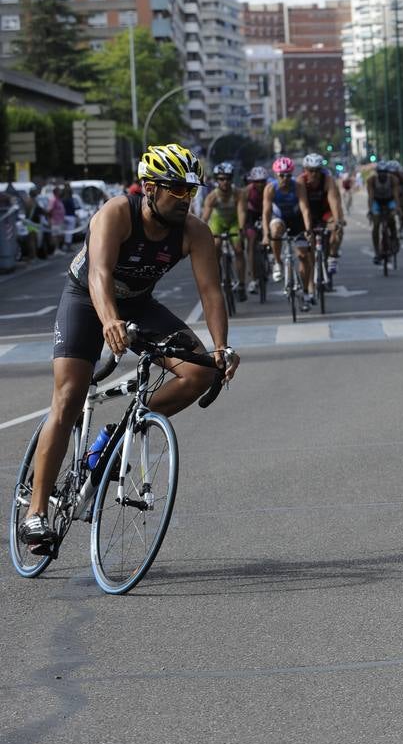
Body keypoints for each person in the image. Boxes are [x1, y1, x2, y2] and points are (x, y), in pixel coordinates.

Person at [17, 144, 240, 550]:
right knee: (68, 398)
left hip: (138, 302)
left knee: (201, 371)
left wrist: (221, 347)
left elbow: (210, 291)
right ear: (151, 187)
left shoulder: (193, 230)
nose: (186, 200)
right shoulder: (116, 213)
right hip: (86, 299)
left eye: (192, 191)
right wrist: (109, 321)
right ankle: (35, 512)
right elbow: (99, 275)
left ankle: (122, 433)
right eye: (177, 190)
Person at [262, 156, 319, 311]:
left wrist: (308, 230)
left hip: (296, 220)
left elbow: (305, 210)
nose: (285, 178)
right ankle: (278, 263)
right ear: (276, 175)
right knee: (276, 230)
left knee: (303, 256)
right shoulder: (270, 188)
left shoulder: (298, 186)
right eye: (282, 175)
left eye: (288, 175)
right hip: (279, 218)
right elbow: (266, 214)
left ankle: (306, 291)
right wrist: (266, 234)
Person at [198, 162, 247, 301]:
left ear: (231, 179)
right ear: (217, 180)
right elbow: (205, 217)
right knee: (216, 245)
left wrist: (242, 229)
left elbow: (242, 212)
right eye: (221, 178)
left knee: (238, 249)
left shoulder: (238, 193)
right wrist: (201, 233)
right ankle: (218, 275)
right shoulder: (212, 197)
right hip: (218, 223)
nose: (225, 181)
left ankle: (242, 284)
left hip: (234, 222)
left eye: (227, 178)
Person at [298, 153, 345, 283]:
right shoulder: (301, 181)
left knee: (337, 229)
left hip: (325, 211)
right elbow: (304, 207)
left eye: (317, 170)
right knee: (309, 241)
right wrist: (308, 229)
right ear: (305, 170)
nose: (314, 174)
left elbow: (334, 202)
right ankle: (313, 271)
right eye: (310, 170)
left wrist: (338, 221)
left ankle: (333, 256)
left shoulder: (328, 180)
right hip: (309, 213)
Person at [366, 161, 403, 261]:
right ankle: (377, 251)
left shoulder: (393, 179)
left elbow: (396, 196)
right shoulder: (371, 180)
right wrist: (370, 210)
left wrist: (397, 208)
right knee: (376, 224)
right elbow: (370, 196)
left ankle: (394, 238)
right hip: (377, 201)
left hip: (389, 200)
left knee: (391, 218)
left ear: (387, 172)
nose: (382, 175)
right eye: (380, 172)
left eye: (384, 172)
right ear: (377, 172)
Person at [241, 166, 269, 293]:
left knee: (271, 234)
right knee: (251, 243)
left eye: (263, 181)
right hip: (252, 217)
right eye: (257, 181)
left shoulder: (270, 188)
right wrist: (242, 227)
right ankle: (252, 279)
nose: (260, 184)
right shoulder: (247, 191)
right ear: (252, 182)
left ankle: (272, 258)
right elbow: (242, 210)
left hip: (267, 214)